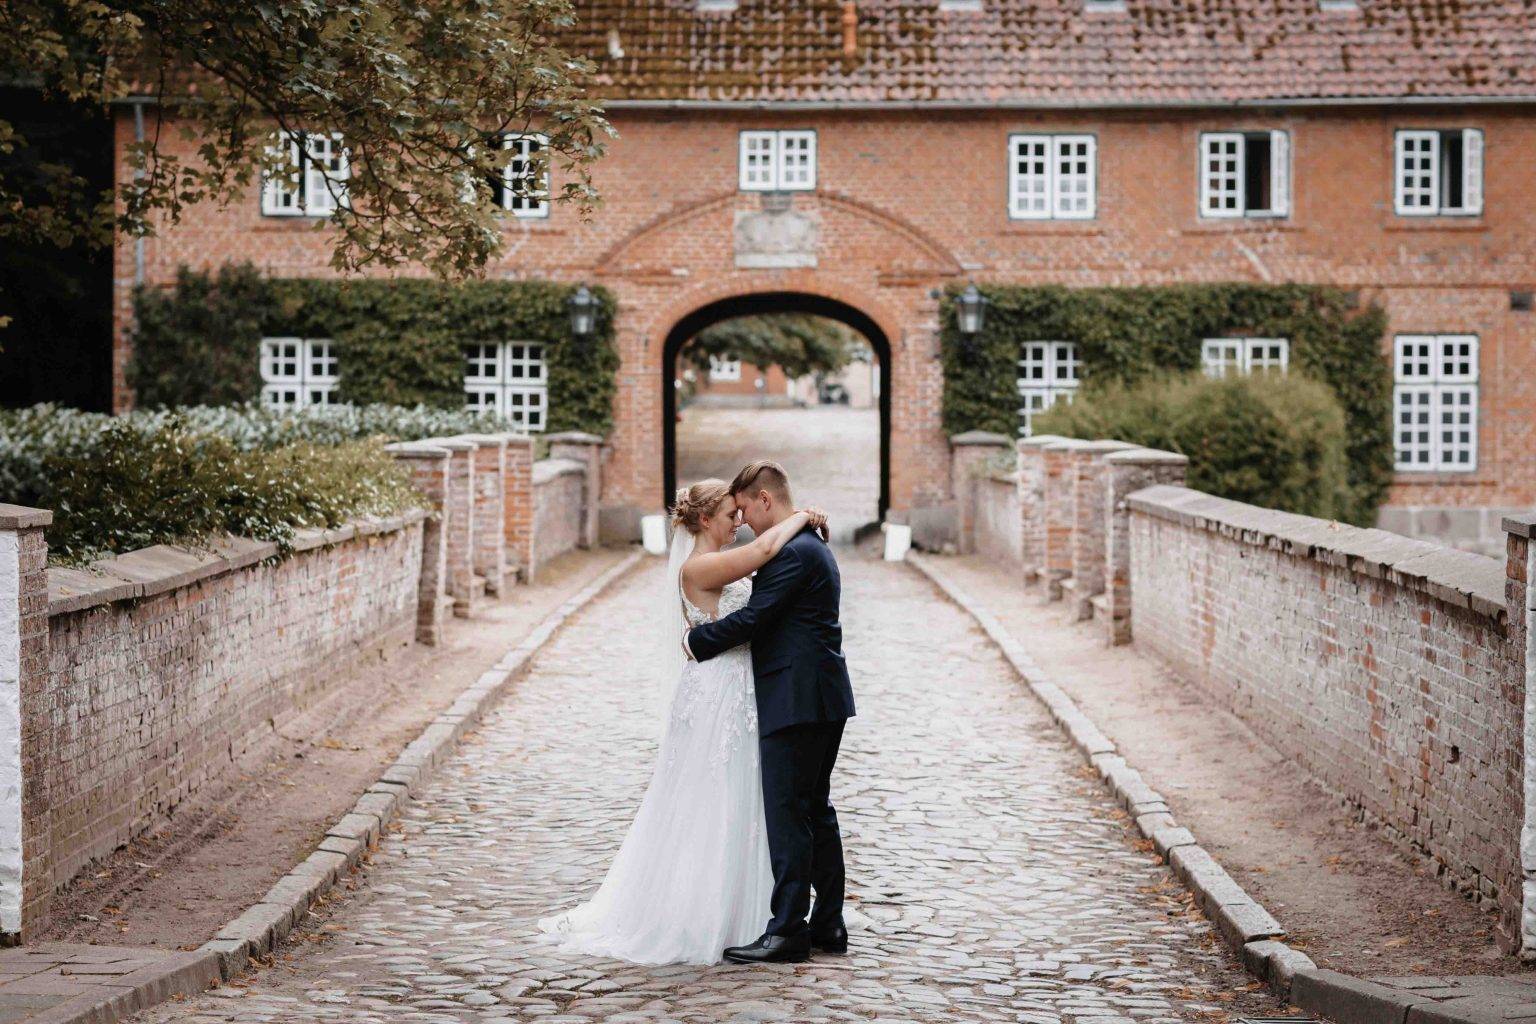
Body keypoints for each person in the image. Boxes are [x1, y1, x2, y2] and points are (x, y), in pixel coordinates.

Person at [538, 477, 826, 965]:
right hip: (718, 691)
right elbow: (766, 548)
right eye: (731, 513)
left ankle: (759, 908)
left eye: (741, 512)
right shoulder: (703, 565)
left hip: (738, 687)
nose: (739, 520)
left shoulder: (716, 561)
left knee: (744, 795)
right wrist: (800, 516)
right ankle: (705, 911)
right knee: (712, 795)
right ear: (706, 519)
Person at [685, 460, 856, 965]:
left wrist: (699, 640)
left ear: (764, 499)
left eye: (745, 510)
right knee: (814, 810)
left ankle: (788, 931)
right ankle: (828, 924)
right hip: (819, 696)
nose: (746, 523)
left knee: (789, 814)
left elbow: (755, 619)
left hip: (797, 699)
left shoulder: (792, 554)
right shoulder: (806, 544)